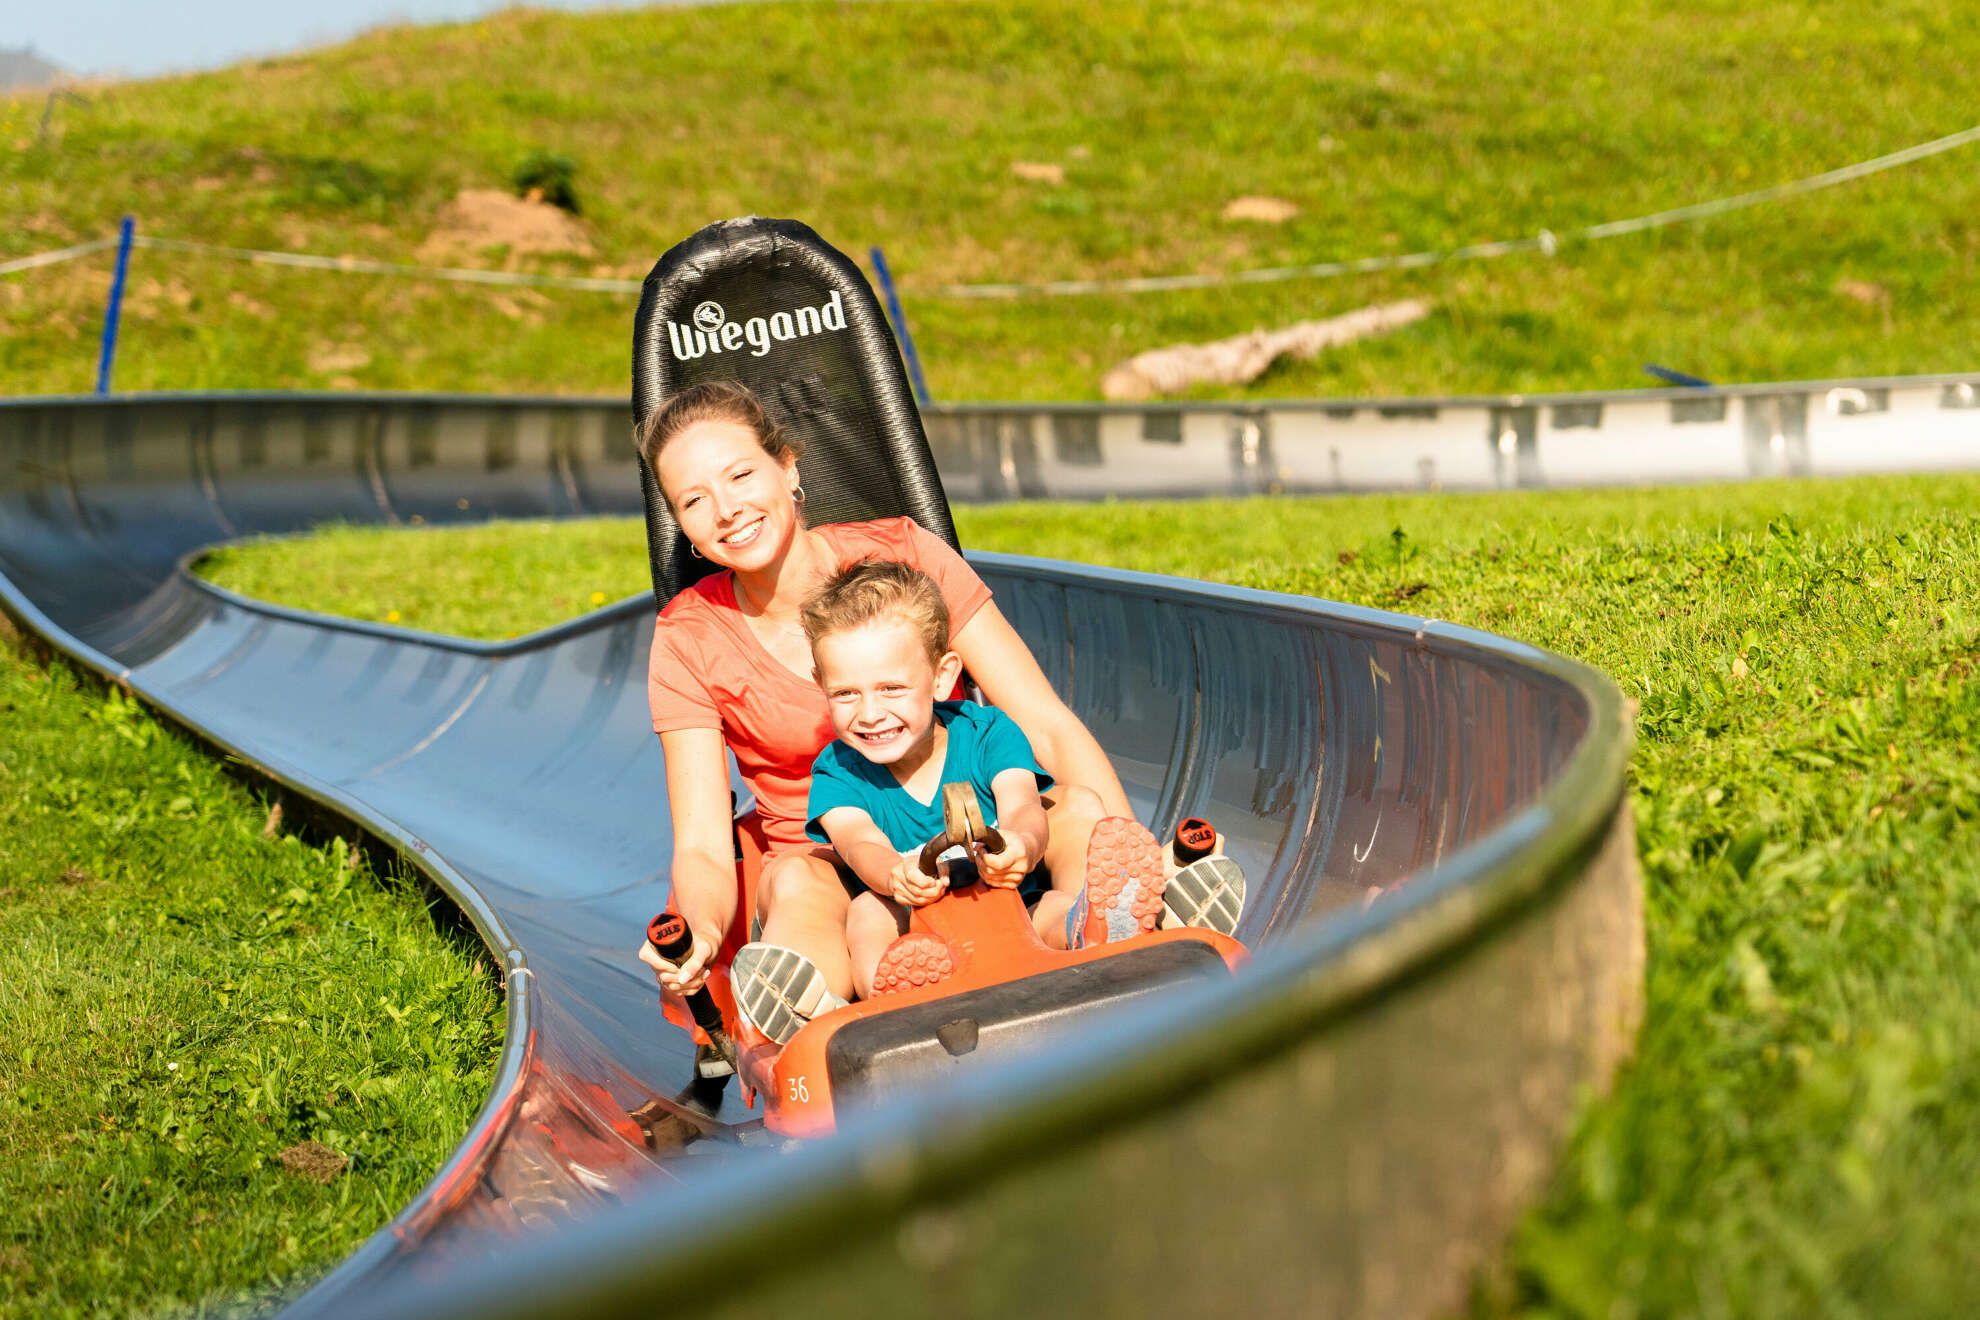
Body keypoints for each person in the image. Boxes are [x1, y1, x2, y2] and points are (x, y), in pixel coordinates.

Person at [634, 381, 1124, 1031]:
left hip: (971, 830)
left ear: (788, 467)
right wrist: (697, 931)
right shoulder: (689, 637)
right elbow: (701, 846)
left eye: (741, 475)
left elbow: (1046, 724)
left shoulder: (904, 555)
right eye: (694, 500)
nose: (726, 509)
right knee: (799, 887)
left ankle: (1116, 913)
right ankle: (813, 1009)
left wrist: (1125, 833)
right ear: (684, 526)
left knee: (1079, 813)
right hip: (832, 865)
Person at [799, 559, 1227, 1006]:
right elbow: (857, 842)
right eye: (846, 694)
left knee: (1052, 907)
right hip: (916, 921)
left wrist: (1022, 844)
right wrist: (892, 874)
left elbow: (1023, 804)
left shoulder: (988, 734)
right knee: (868, 910)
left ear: (942, 677)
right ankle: (890, 991)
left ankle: (1099, 926)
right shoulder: (838, 771)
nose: (869, 713)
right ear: (821, 685)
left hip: (1015, 911)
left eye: (891, 689)